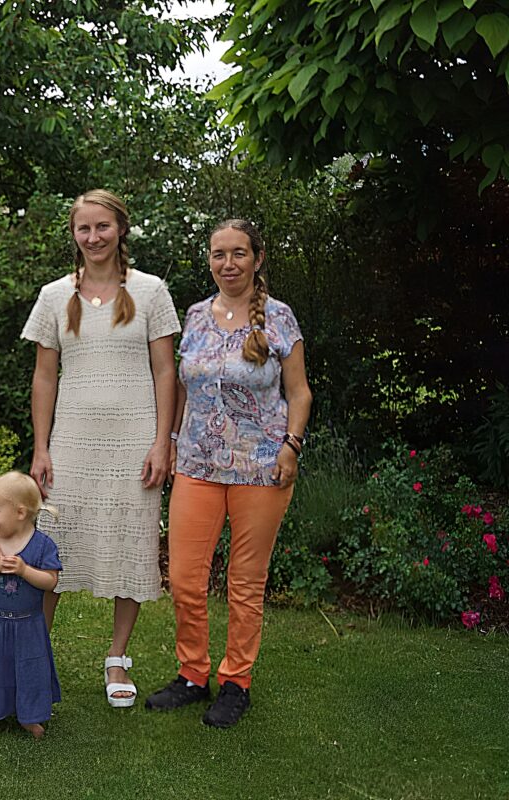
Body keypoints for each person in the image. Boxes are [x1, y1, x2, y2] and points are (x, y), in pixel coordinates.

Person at [144, 218, 311, 728]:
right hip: (197, 463)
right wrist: (170, 443)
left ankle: (236, 681)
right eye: (219, 254)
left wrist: (292, 445)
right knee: (184, 577)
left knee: (245, 582)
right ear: (210, 260)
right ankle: (193, 674)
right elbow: (181, 388)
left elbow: (299, 392)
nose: (228, 264)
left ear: (257, 258)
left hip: (261, 467)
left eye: (239, 253)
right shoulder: (195, 316)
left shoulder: (279, 318)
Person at [21, 189, 179, 707]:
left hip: (135, 443)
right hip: (70, 441)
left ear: (121, 230)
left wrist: (163, 441)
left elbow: (165, 372)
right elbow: (45, 378)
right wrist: (41, 448)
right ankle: (37, 659)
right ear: (73, 234)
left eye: (102, 227)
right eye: (84, 228)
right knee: (53, 545)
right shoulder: (53, 297)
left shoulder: (152, 293)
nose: (93, 237)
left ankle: (117, 658)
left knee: (131, 541)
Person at [0, 471, 62, 741]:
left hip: (29, 623)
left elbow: (50, 581)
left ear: (20, 513)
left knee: (30, 669)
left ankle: (29, 715)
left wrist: (24, 570)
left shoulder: (42, 546)